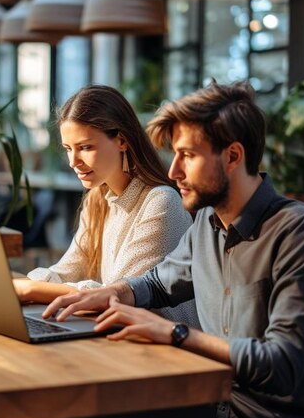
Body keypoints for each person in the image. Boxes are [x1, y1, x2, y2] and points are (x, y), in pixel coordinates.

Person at [43, 81, 304, 418]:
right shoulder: (207, 225)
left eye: (186, 156)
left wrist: (175, 333)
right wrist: (114, 293)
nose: (172, 171)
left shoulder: (300, 232)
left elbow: (280, 365)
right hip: (214, 413)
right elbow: (157, 281)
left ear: (233, 157)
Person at [14, 84, 198, 326]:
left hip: (171, 349)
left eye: (85, 147)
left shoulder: (161, 201)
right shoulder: (98, 200)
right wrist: (24, 284)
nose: (73, 162)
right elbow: (67, 270)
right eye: (68, 149)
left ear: (121, 140)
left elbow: (118, 294)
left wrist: (31, 290)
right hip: (121, 336)